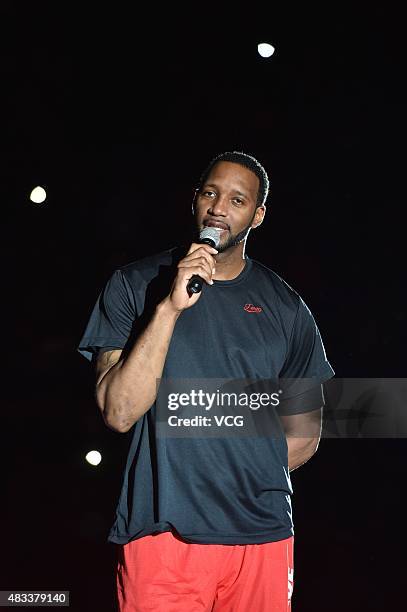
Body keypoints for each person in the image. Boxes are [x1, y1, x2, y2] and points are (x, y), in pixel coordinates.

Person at [77, 151, 335, 611]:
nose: (219, 207)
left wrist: (236, 475)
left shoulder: (288, 307)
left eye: (237, 200)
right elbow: (117, 412)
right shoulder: (136, 284)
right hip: (162, 536)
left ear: (257, 216)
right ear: (194, 199)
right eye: (211, 193)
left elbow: (305, 431)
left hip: (262, 538)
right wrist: (170, 308)